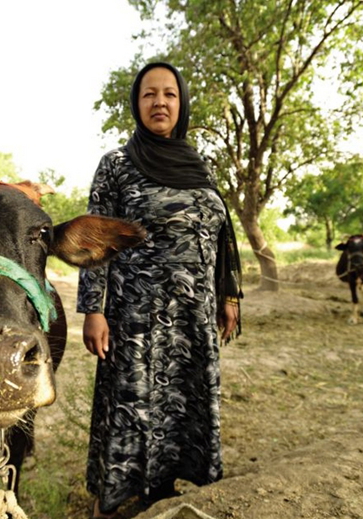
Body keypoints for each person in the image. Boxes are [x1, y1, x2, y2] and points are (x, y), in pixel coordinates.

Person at [77, 62, 242, 519]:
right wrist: (94, 309)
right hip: (138, 316)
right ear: (136, 104)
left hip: (194, 314)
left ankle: (166, 486)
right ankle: (115, 497)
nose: (160, 103)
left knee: (181, 402)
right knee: (134, 404)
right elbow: (96, 241)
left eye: (169, 94)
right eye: (149, 95)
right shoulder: (117, 165)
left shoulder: (198, 163)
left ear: (181, 102)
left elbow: (220, 234)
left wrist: (228, 296)